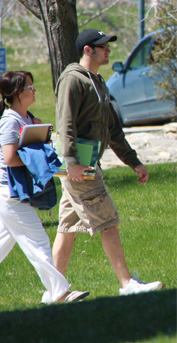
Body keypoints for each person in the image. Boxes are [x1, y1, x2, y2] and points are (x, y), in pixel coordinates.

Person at [52, 29, 164, 296]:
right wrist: (71, 162)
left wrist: (133, 161)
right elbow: (65, 123)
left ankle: (53, 291)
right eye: (103, 46)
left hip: (86, 163)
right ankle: (127, 285)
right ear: (87, 50)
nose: (108, 50)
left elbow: (112, 129)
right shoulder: (73, 80)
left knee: (67, 229)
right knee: (109, 220)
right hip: (79, 166)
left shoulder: (99, 82)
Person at [0, 70, 89, 305]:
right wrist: (39, 154)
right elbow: (10, 158)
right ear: (17, 93)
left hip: (15, 192)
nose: (34, 90)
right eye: (30, 87)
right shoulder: (9, 121)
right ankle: (59, 293)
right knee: (38, 242)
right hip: (7, 193)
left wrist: (43, 139)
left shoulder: (28, 118)